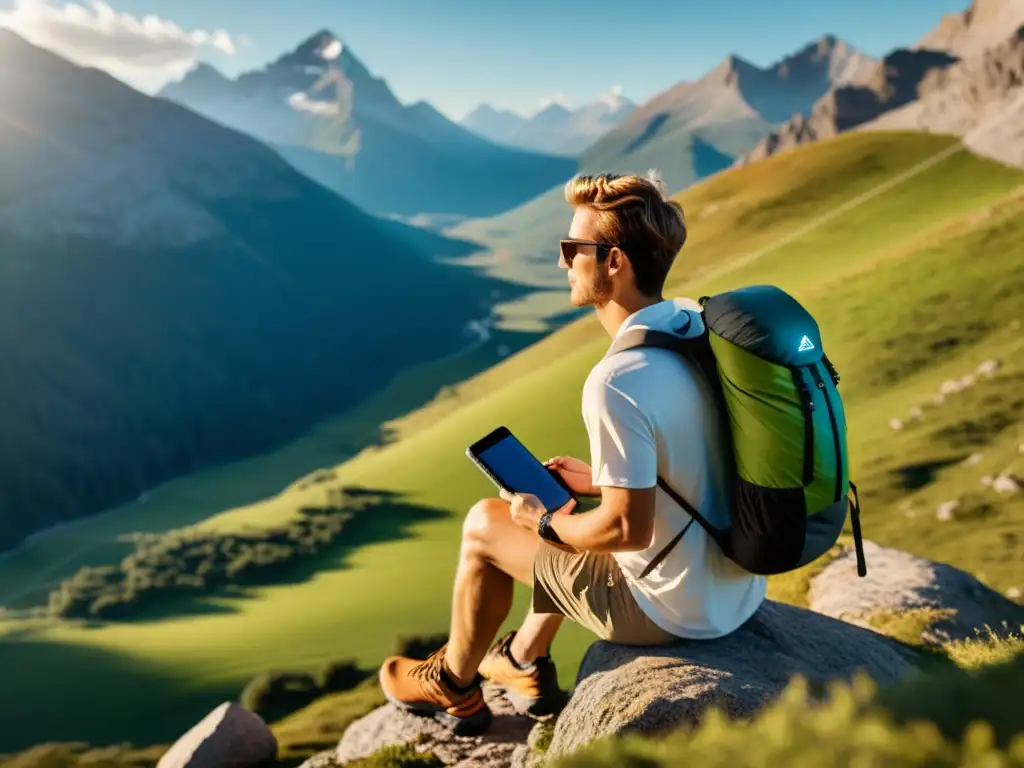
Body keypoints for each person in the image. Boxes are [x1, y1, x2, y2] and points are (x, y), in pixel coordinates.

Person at [378, 170, 767, 735]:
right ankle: (521, 660)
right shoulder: (695, 328)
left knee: (489, 524)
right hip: (735, 587)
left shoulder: (619, 379)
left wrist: (543, 524)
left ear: (613, 263)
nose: (563, 263)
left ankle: (452, 684)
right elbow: (693, 454)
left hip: (673, 611)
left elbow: (625, 533)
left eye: (571, 249)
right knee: (572, 514)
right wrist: (598, 483)